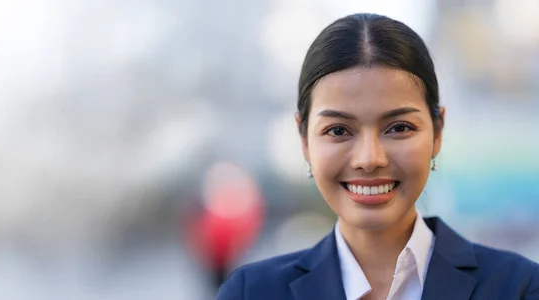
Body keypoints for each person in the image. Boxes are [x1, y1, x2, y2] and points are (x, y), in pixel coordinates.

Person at [216, 13, 539, 300]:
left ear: (437, 132)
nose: (370, 159)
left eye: (398, 127)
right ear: (304, 140)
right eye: (338, 130)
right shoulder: (252, 292)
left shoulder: (518, 287)